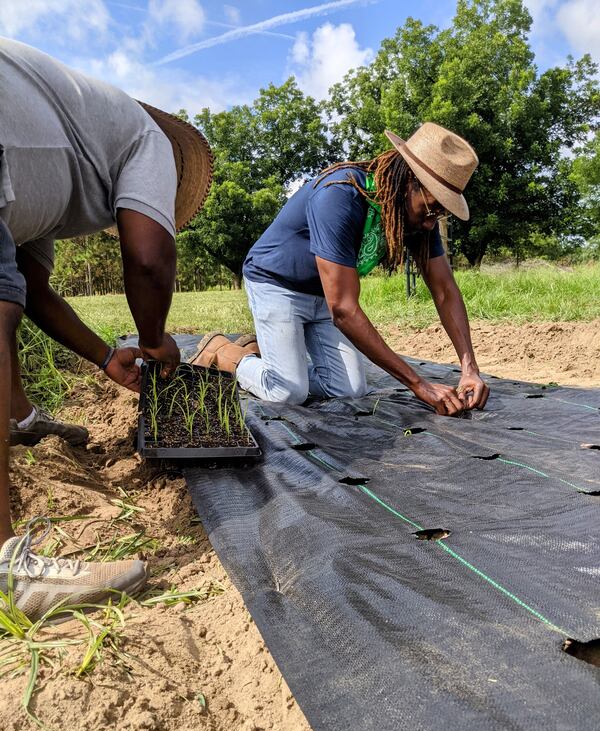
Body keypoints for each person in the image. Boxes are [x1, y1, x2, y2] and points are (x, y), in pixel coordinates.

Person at [0, 38, 212, 618]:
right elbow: (148, 257)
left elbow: (34, 290)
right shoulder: (149, 140)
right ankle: (8, 572)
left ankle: (17, 420)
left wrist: (102, 356)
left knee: (6, 301)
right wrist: (151, 340)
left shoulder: (53, 161)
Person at [193, 123, 489, 416]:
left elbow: (444, 290)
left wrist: (469, 369)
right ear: (408, 181)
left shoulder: (419, 217)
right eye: (432, 207)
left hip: (323, 294)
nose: (431, 222)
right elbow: (344, 309)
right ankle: (228, 354)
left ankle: (272, 359)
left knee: (350, 390)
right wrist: (419, 384)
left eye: (441, 212)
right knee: (287, 392)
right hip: (277, 284)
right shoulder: (341, 194)